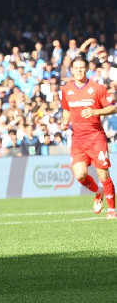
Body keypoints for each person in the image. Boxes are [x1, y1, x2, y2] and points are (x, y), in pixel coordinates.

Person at [60, 57, 116, 219]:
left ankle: (112, 210)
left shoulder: (97, 88)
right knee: (79, 175)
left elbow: (113, 108)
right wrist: (65, 121)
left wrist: (95, 112)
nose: (79, 70)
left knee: (103, 175)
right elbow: (66, 109)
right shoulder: (66, 90)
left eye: (82, 68)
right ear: (71, 70)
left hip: (95, 137)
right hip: (78, 139)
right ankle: (98, 192)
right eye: (76, 68)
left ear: (86, 69)